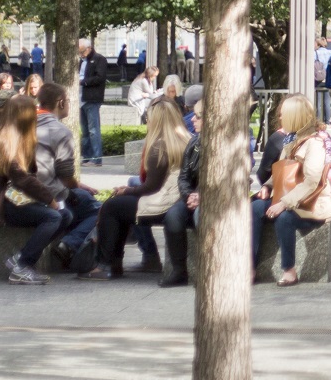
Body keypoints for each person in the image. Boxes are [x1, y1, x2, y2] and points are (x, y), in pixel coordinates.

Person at [79, 100, 185, 280]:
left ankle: (106, 264)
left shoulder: (159, 146)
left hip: (162, 203)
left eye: (149, 118)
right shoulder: (182, 139)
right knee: (120, 206)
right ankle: (114, 263)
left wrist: (127, 191)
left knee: (112, 207)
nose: (147, 122)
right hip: (174, 200)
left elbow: (151, 187)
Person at [0, 94, 68, 285]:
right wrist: (49, 199)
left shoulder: (18, 138)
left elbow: (29, 174)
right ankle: (23, 266)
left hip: (10, 197)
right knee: (54, 216)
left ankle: (20, 258)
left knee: (66, 216)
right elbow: (22, 178)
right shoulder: (3, 141)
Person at [251, 94, 331, 286]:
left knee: (285, 219)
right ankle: (250, 267)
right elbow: (282, 170)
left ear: (295, 117)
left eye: (284, 114)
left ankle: (289, 270)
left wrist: (283, 203)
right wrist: (267, 187)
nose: (280, 118)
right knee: (255, 208)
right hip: (291, 196)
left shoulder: (315, 143)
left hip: (313, 202)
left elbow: (311, 182)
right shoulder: (292, 139)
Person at [33, 83, 100, 273]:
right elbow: (65, 175)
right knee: (98, 209)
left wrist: (78, 185)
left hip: (24, 190)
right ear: (60, 103)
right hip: (51, 194)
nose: (69, 105)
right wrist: (75, 187)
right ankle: (68, 245)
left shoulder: (26, 123)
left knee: (82, 198)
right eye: (68, 101)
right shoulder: (60, 131)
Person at [162, 98, 204, 287]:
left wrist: (203, 196)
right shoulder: (194, 143)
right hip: (193, 197)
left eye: (197, 116)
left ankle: (209, 269)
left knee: (201, 215)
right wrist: (189, 195)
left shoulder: (231, 144)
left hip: (218, 198)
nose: (192, 120)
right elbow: (184, 177)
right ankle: (179, 271)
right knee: (173, 216)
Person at [76, 37, 106, 166]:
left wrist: (83, 82)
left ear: (89, 48)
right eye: (79, 52)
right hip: (80, 98)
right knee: (85, 130)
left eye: (82, 51)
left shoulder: (99, 59)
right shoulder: (81, 61)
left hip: (92, 98)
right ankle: (86, 157)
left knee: (94, 130)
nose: (81, 54)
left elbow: (100, 77)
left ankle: (96, 158)